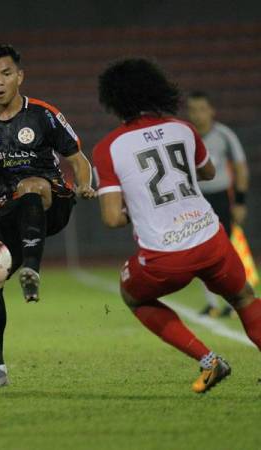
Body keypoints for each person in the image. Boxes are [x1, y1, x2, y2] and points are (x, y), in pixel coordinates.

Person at [92, 58, 261, 393]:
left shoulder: (108, 148)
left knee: (132, 297)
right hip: (212, 240)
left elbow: (112, 218)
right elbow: (209, 173)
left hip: (166, 256)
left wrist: (136, 206)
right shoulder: (183, 129)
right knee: (243, 297)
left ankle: (209, 360)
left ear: (113, 99)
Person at [0, 44, 95, 387]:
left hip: (53, 201)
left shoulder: (44, 115)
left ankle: (32, 268)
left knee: (32, 185)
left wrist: (84, 186)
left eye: (6, 73)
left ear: (19, 76)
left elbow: (78, 161)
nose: (0, 81)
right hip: (9, 209)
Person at [186, 91, 250, 317]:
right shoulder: (185, 136)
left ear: (211, 110)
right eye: (193, 110)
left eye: (202, 109)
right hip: (195, 200)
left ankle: (236, 302)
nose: (198, 114)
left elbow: (241, 167)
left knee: (227, 250)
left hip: (221, 198)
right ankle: (212, 304)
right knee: (200, 251)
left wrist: (240, 201)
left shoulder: (223, 134)